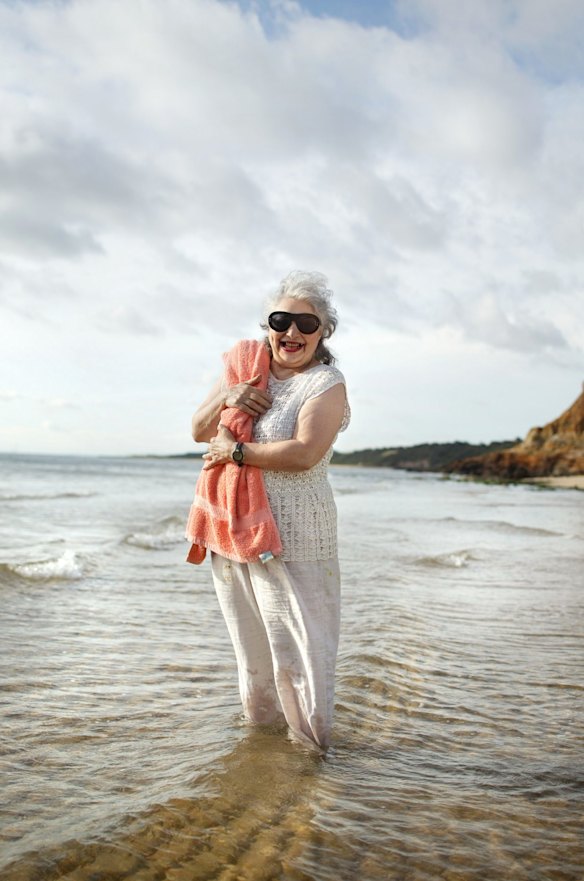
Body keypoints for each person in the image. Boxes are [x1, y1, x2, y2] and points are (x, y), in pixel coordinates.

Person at [191, 271, 350, 752]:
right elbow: (199, 430)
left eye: (307, 322)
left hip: (299, 539)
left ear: (324, 333)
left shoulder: (325, 382)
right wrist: (229, 395)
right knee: (253, 657)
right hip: (235, 537)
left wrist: (235, 453)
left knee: (301, 654)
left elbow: (303, 452)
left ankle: (310, 760)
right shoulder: (244, 370)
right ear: (268, 325)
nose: (293, 332)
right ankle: (261, 761)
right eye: (282, 320)